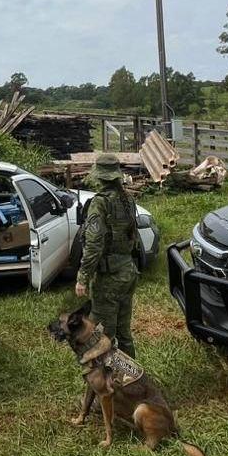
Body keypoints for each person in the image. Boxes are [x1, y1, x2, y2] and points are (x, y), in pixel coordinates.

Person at [75, 153, 141, 358]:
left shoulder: (100, 203)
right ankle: (132, 375)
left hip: (110, 278)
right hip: (128, 272)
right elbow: (134, 237)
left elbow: (94, 244)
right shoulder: (127, 199)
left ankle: (109, 380)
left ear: (100, 177)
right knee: (124, 331)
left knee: (103, 335)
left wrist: (82, 278)